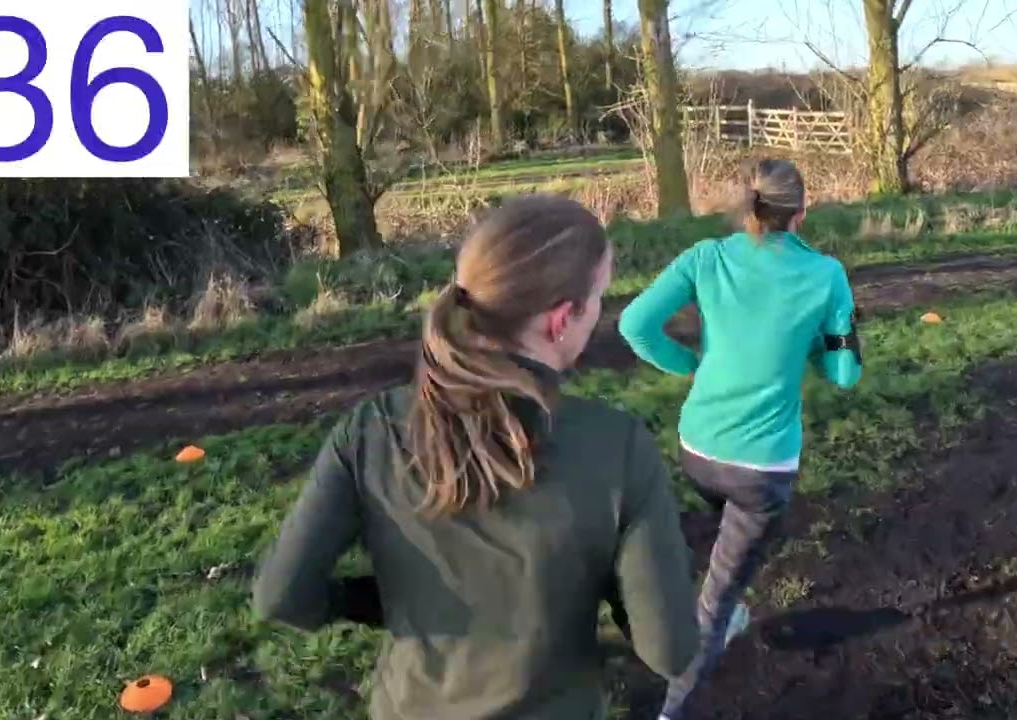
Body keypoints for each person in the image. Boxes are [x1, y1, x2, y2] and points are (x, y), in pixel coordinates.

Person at [252, 194, 700, 720]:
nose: (601, 310)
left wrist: (378, 601)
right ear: (561, 319)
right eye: (600, 296)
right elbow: (669, 650)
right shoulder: (617, 445)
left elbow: (281, 596)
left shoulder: (372, 429)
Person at [617, 158, 863, 720]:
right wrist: (825, 336)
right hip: (761, 473)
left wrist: (691, 367)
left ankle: (723, 614)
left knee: (727, 540)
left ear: (745, 203)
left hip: (697, 451)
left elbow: (634, 325)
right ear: (803, 210)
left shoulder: (705, 256)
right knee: (718, 598)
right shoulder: (827, 276)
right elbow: (845, 374)